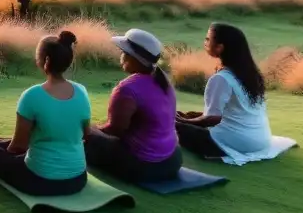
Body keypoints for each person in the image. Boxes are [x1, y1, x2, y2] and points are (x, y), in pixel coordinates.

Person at [0, 31, 91, 196]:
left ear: (46, 61)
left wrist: (4, 155)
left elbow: (18, 147)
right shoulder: (82, 91)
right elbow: (87, 133)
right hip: (78, 180)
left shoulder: (32, 95)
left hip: (40, 181)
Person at [85, 28, 183, 182]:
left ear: (134, 58)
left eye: (125, 53)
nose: (121, 56)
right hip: (172, 160)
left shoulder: (127, 89)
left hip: (144, 166)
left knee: (85, 138)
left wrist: (90, 130)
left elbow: (115, 130)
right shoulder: (161, 77)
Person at [176, 23, 272, 161]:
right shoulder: (251, 74)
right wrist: (188, 118)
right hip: (260, 140)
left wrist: (185, 122)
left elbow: (213, 118)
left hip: (235, 143)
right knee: (185, 116)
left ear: (220, 47)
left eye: (208, 39)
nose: (205, 42)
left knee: (170, 125)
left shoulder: (221, 79)